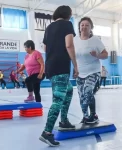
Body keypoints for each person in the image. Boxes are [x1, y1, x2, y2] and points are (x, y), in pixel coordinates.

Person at [39, 5, 78, 147]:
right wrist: (75, 64)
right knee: (58, 99)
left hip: (51, 65)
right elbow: (69, 45)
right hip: (61, 65)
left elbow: (45, 47)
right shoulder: (67, 24)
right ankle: (47, 132)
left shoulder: (49, 27)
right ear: (68, 14)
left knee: (68, 90)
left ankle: (64, 120)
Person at [74, 17, 108, 124]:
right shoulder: (75, 40)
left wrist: (97, 55)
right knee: (81, 95)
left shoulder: (95, 40)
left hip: (93, 71)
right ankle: (87, 116)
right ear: (79, 27)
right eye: (82, 25)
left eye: (87, 25)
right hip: (80, 72)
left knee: (88, 91)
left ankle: (92, 115)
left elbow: (106, 54)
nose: (84, 27)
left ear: (91, 28)